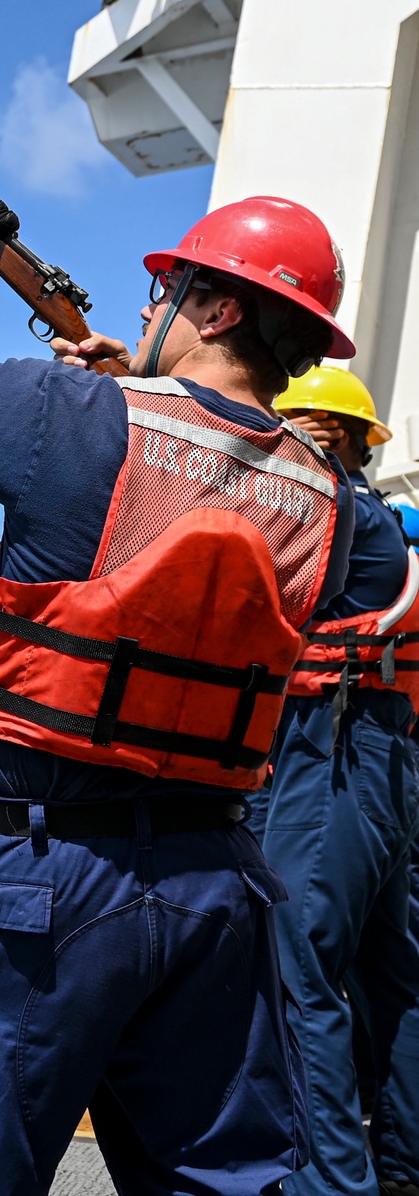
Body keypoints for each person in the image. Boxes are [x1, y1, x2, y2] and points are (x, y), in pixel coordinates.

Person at [0, 186, 355, 1196]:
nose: (142, 308)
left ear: (216, 312)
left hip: (29, 878)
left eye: (165, 290)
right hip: (213, 883)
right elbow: (210, 473)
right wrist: (136, 385)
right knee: (219, 1180)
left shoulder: (69, 414)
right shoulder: (331, 498)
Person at [263, 368, 419, 1196]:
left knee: (301, 972)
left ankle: (331, 1184)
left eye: (315, 430)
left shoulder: (335, 515)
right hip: (379, 753)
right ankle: (401, 1166)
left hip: (331, 749)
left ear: (348, 443)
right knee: (389, 968)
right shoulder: (379, 520)